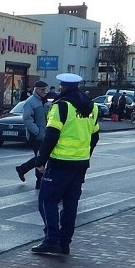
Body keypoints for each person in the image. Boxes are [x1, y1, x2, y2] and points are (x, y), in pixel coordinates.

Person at [31, 73, 100, 255]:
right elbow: (95, 137)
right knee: (70, 205)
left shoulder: (61, 107)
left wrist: (40, 161)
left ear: (63, 87)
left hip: (60, 163)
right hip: (80, 164)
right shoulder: (92, 107)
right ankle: (64, 243)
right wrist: (85, 155)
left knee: (46, 200)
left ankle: (52, 240)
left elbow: (51, 135)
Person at [15, 81, 49, 188]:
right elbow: (27, 119)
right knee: (41, 157)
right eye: (42, 90)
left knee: (42, 156)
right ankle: (39, 181)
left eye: (45, 89)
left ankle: (22, 169)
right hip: (36, 135)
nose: (45, 92)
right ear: (36, 89)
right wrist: (37, 132)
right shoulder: (31, 102)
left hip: (44, 134)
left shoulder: (43, 101)